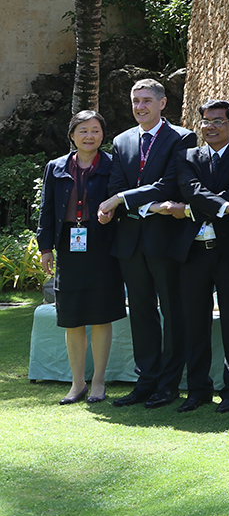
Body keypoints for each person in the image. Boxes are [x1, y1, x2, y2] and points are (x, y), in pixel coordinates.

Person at [94, 78, 197, 408]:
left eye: (146, 100)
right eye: (135, 100)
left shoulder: (182, 138)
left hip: (165, 240)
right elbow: (116, 183)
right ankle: (146, 381)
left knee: (172, 311)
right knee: (140, 313)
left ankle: (169, 384)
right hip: (130, 241)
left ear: (162, 103)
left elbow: (170, 184)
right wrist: (135, 202)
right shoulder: (122, 140)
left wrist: (122, 199)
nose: (140, 106)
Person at [168, 99, 229, 413]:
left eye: (218, 121)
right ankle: (198, 390)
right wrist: (223, 208)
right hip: (193, 252)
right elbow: (190, 189)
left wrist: (214, 205)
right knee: (195, 323)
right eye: (206, 121)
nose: (210, 126)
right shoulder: (186, 157)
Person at [39, 111, 123, 404]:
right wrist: (45, 248)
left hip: (102, 249)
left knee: (101, 316)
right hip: (68, 249)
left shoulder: (113, 165)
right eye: (83, 130)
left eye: (96, 130)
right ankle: (77, 384)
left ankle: (98, 381)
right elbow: (47, 210)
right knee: (72, 318)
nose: (90, 136)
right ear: (72, 135)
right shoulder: (55, 167)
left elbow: (122, 203)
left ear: (103, 135)